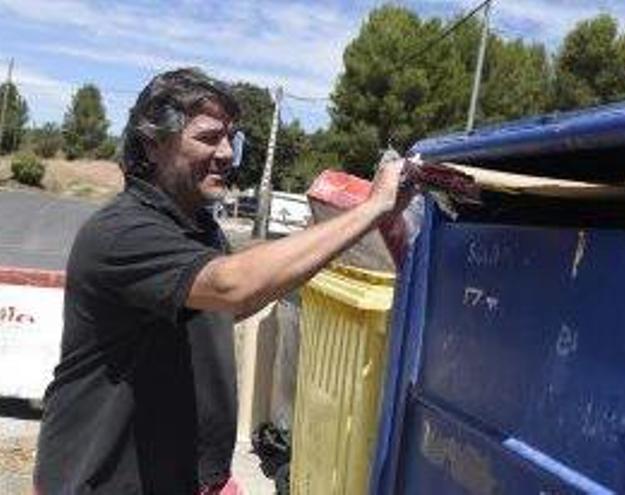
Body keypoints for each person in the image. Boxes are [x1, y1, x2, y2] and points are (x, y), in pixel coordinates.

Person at [33, 68, 411, 494]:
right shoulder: (123, 231)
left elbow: (235, 303)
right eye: (209, 137)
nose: (228, 153)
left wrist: (333, 237)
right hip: (105, 481)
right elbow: (233, 286)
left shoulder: (198, 227)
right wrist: (369, 209)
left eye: (231, 137)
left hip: (191, 477)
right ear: (153, 144)